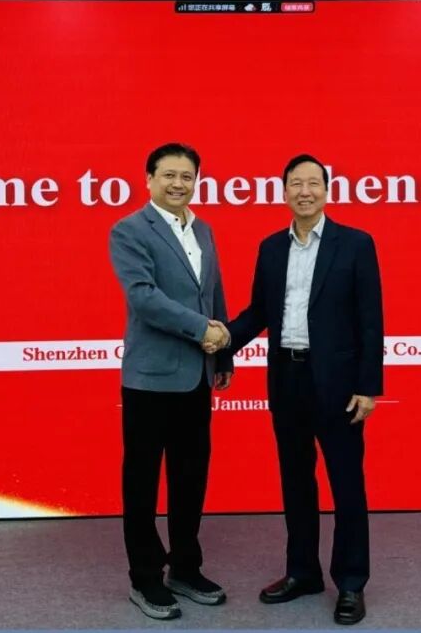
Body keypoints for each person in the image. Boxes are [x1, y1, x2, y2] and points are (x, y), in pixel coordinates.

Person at [220, 153, 383, 625]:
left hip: (338, 385)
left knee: (346, 485)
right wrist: (221, 341)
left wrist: (368, 387)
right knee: (295, 482)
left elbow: (370, 320)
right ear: (284, 191)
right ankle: (302, 572)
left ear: (327, 191)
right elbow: (259, 312)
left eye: (313, 183)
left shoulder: (356, 244)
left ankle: (350, 582)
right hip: (287, 379)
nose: (305, 191)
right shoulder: (271, 247)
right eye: (296, 183)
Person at [108, 143, 234, 620]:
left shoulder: (203, 229)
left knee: (190, 477)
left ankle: (185, 567)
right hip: (150, 379)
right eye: (169, 175)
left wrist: (223, 354)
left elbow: (213, 292)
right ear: (149, 179)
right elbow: (144, 297)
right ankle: (144, 577)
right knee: (142, 483)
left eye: (187, 176)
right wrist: (203, 330)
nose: (179, 183)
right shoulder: (129, 230)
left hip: (197, 376)